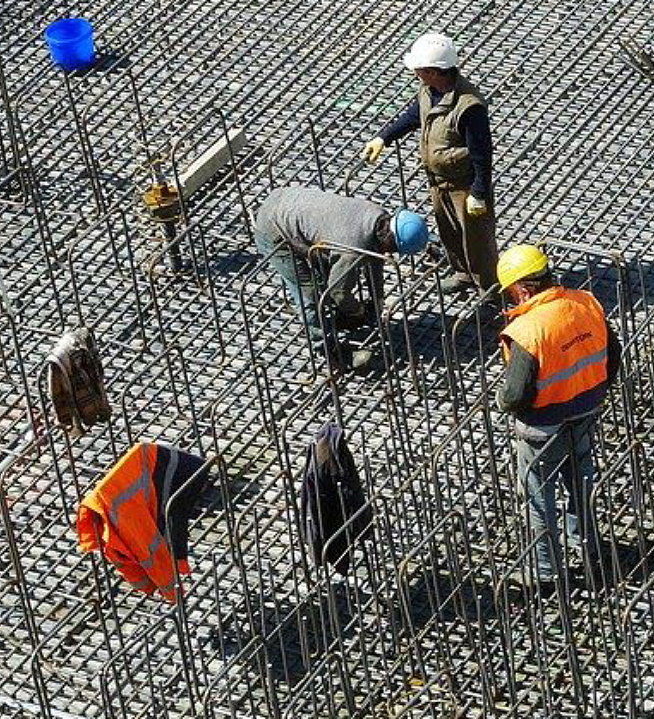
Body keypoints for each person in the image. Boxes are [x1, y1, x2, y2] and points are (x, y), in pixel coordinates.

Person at [495, 244, 621, 590]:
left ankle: (545, 571)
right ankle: (590, 550)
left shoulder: (528, 330)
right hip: (586, 411)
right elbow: (614, 355)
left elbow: (515, 395)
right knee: (581, 485)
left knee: (538, 495)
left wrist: (502, 399)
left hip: (543, 428)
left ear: (522, 289)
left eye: (511, 293)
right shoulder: (586, 302)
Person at [362, 31, 497, 295]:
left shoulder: (469, 105)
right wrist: (383, 137)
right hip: (439, 182)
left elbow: (482, 153)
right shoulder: (429, 91)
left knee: (477, 241)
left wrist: (479, 192)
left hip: (465, 186)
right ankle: (463, 275)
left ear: (437, 71)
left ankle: (488, 290)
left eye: (421, 69)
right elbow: (414, 116)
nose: (416, 74)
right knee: (449, 233)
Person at [253, 184, 428, 372]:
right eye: (393, 249)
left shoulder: (378, 217)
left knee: (330, 273)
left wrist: (377, 299)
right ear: (391, 239)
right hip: (273, 228)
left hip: (287, 200)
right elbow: (337, 290)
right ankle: (330, 351)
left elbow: (375, 258)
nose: (391, 253)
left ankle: (337, 318)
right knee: (311, 293)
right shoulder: (352, 249)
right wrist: (356, 310)